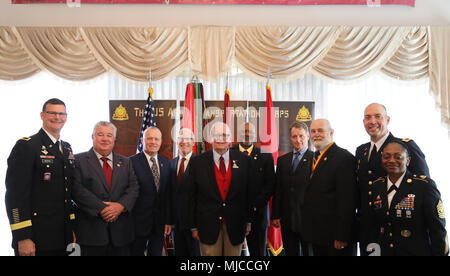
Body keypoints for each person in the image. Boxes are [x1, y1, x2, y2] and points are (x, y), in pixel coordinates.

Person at [356, 103, 430, 255]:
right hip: (368, 228)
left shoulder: (405, 146)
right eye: (368, 117)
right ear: (363, 122)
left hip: (398, 228)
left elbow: (424, 189)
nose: (372, 121)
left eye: (378, 116)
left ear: (387, 120)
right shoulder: (361, 150)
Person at [5, 98, 75, 256]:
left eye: (61, 113)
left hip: (62, 237)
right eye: (52, 113)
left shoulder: (66, 148)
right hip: (36, 238)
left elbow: (68, 193)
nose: (57, 117)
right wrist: (22, 237)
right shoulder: (27, 146)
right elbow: (15, 196)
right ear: (42, 115)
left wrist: (71, 229)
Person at [368, 141, 448, 256]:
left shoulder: (423, 186)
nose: (391, 160)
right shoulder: (377, 186)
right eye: (386, 157)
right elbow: (373, 226)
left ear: (408, 161)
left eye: (398, 157)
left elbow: (438, 229)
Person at [72, 121, 139, 256]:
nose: (105, 138)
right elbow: (77, 190)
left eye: (109, 135)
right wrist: (103, 209)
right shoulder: (78, 160)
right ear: (92, 137)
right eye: (100, 134)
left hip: (121, 234)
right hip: (91, 234)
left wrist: (120, 206)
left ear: (114, 139)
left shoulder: (126, 162)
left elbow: (134, 187)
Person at [189, 122, 252, 256]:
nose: (221, 138)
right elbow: (191, 196)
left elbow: (248, 194)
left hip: (236, 225)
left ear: (230, 139)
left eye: (224, 135)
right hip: (207, 226)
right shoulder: (197, 162)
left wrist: (248, 221)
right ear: (210, 138)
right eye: (217, 135)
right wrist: (193, 226)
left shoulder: (244, 160)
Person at [302, 119, 357, 256]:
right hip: (317, 234)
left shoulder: (344, 158)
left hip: (335, 237)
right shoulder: (313, 157)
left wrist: (342, 235)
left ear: (331, 132)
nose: (316, 134)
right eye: (313, 131)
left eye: (320, 130)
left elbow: (347, 201)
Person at [232, 122, 274, 256]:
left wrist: (253, 207)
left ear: (255, 135)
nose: (246, 134)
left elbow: (270, 186)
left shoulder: (266, 156)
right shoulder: (228, 154)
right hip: (233, 215)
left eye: (250, 132)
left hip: (258, 215)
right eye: (243, 131)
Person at [271, 121, 313, 256]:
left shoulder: (316, 159)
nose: (298, 140)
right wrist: (275, 214)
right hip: (287, 218)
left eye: (301, 136)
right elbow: (278, 190)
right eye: (294, 136)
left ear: (307, 136)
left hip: (308, 219)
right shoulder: (282, 160)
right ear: (290, 138)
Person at [130, 126, 172, 256]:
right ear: (142, 141)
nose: (153, 142)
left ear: (161, 141)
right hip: (137, 224)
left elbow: (167, 195)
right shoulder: (131, 162)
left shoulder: (166, 163)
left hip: (159, 224)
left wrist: (168, 220)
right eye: (149, 138)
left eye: (156, 139)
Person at [169, 128, 200, 256]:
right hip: (176, 224)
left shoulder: (201, 164)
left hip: (195, 225)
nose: (184, 142)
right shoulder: (171, 164)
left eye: (187, 139)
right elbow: (169, 195)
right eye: (181, 139)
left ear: (193, 142)